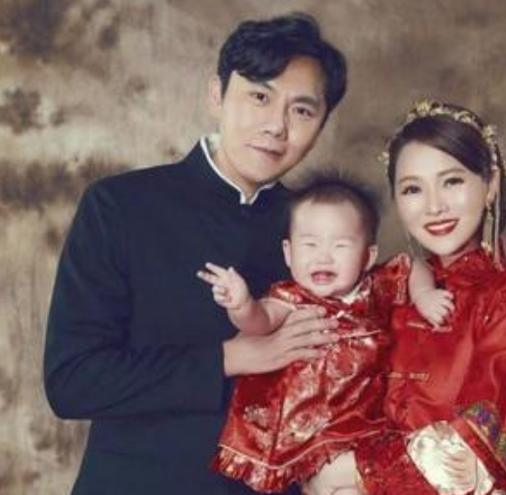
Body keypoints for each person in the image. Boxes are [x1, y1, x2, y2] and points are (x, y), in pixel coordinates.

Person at [44, 13, 349, 495]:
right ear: (216, 94)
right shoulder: (120, 206)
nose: (276, 126)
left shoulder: (325, 231)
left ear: (321, 124)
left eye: (302, 111)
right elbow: (73, 382)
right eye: (260, 97)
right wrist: (230, 357)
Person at [309, 99, 506, 495]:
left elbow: (475, 454)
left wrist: (347, 472)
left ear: (490, 184)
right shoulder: (380, 291)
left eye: (452, 181)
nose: (434, 206)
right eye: (413, 189)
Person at [197, 174, 453, 493]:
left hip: (364, 421)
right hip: (307, 429)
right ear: (289, 253)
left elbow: (413, 266)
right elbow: (259, 322)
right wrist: (241, 304)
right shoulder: (292, 298)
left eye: (340, 246)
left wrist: (425, 294)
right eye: (310, 245)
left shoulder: (375, 287)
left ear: (368, 256)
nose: (323, 256)